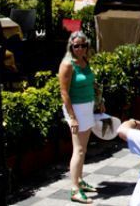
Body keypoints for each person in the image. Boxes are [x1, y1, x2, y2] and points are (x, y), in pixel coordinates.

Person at [58, 31, 100, 204]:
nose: (80, 48)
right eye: (77, 46)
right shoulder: (68, 64)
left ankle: (80, 181)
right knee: (79, 149)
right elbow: (64, 92)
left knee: (83, 148)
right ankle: (75, 189)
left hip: (87, 106)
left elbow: (91, 82)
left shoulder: (84, 60)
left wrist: (99, 99)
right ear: (71, 46)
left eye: (83, 45)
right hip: (75, 109)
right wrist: (73, 117)